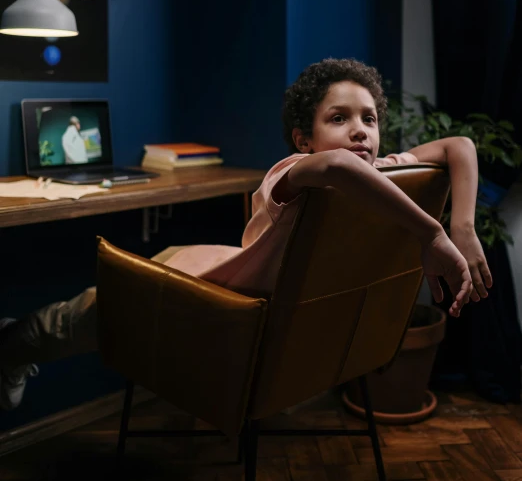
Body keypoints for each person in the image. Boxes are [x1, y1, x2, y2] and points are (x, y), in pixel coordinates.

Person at [0, 58, 492, 411]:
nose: (360, 130)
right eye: (338, 119)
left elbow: (459, 143)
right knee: (140, 277)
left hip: (234, 315)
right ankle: (15, 344)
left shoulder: (372, 173)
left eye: (369, 118)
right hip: (269, 308)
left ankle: (13, 344)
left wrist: (459, 228)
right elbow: (438, 150)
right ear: (304, 140)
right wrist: (440, 231)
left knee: (107, 299)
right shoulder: (298, 170)